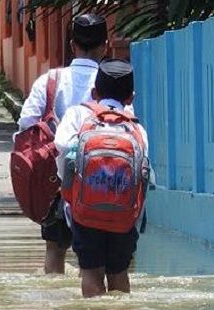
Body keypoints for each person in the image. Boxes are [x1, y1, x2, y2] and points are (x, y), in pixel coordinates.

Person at [17, 13, 109, 274]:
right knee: (93, 255)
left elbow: (26, 123)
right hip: (99, 179)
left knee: (55, 250)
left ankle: (55, 308)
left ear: (72, 45)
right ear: (106, 45)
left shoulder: (50, 80)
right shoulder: (109, 81)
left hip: (55, 182)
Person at [54, 59, 150, 297]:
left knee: (91, 271)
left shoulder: (78, 115)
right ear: (131, 97)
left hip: (85, 213)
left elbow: (62, 149)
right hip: (124, 216)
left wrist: (69, 194)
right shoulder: (136, 128)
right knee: (119, 272)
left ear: (95, 93)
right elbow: (143, 172)